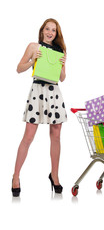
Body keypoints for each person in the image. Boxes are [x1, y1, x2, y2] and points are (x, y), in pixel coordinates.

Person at [11, 18, 67, 197]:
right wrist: (32, 61)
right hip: (37, 91)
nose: (50, 32)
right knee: (28, 136)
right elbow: (19, 68)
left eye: (54, 30)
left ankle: (55, 175)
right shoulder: (34, 46)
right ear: (42, 30)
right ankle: (16, 176)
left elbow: (62, 78)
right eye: (47, 29)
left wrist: (62, 65)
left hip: (54, 92)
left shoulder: (61, 50)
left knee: (56, 135)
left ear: (56, 34)